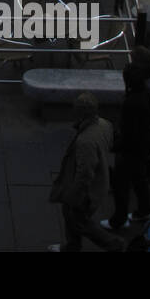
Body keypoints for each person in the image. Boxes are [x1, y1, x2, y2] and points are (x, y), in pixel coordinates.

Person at [49, 92, 123, 252]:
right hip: (100, 182)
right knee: (72, 217)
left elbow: (85, 174)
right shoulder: (104, 124)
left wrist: (73, 196)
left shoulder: (85, 141)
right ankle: (72, 246)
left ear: (79, 113)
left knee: (78, 220)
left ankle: (112, 244)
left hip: (86, 192)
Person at [103, 47, 150, 231]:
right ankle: (144, 209)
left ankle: (119, 219)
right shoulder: (148, 94)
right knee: (139, 177)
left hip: (130, 149)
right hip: (145, 144)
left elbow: (129, 133)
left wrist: (115, 145)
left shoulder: (131, 102)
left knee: (121, 184)